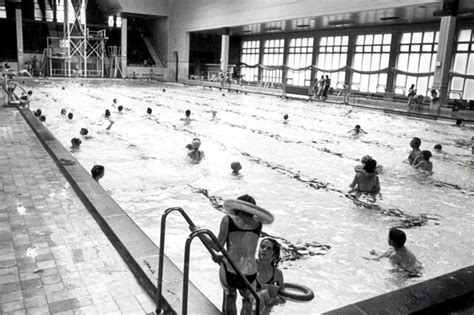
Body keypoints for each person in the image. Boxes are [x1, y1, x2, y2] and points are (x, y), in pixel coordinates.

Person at [200, 195, 266, 315]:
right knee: (247, 299)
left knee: (231, 296)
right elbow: (245, 247)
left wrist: (201, 234)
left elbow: (217, 246)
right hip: (250, 272)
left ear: (237, 206)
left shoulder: (228, 220)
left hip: (231, 270)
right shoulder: (258, 224)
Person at [255, 238, 285, 314]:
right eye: (262, 246)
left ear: (274, 254)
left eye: (269, 248)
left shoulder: (277, 274)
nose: (264, 250)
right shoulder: (250, 265)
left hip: (265, 310)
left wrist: (273, 301)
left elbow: (283, 299)